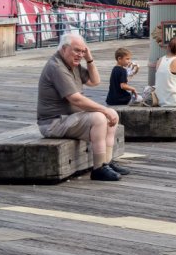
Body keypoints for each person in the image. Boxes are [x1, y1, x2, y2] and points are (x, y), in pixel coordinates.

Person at [37, 32, 127, 182]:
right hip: (53, 123)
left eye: (82, 51)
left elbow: (95, 81)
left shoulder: (73, 64)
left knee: (112, 114)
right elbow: (75, 99)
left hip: (68, 118)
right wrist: (103, 110)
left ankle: (107, 162)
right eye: (76, 50)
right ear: (64, 49)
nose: (80, 54)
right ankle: (98, 169)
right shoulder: (57, 67)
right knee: (100, 117)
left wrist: (89, 59)